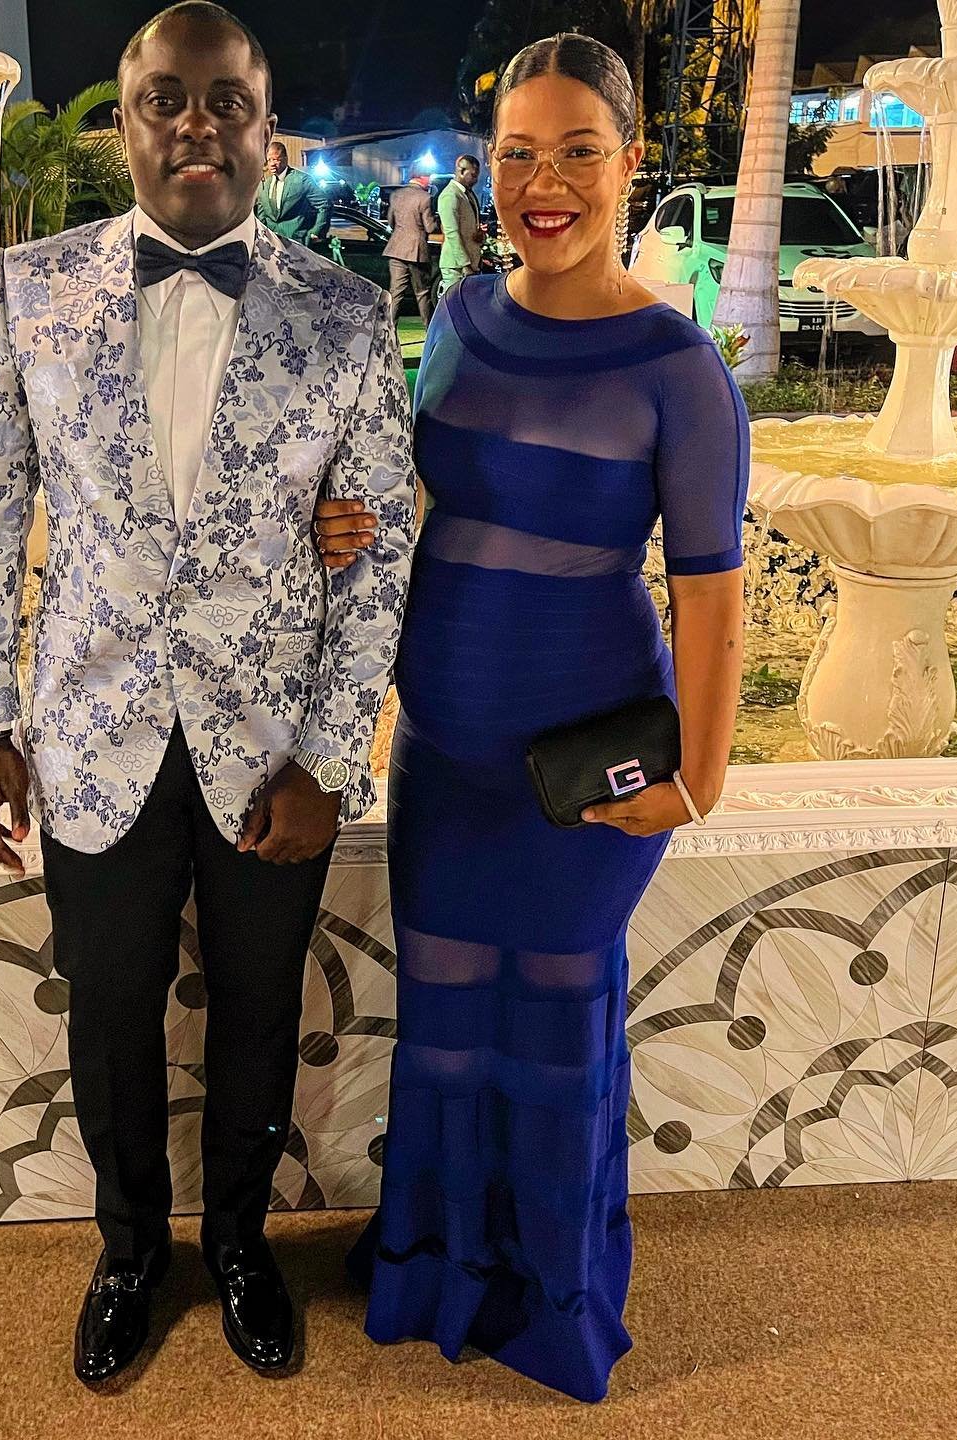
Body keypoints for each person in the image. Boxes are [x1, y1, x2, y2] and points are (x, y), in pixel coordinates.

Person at [0, 0, 417, 1391]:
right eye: (165, 98)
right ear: (128, 125)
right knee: (109, 1014)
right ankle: (130, 1252)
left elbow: (380, 544)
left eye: (227, 101)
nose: (196, 123)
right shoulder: (26, 290)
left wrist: (332, 755)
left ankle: (246, 1245)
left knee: (261, 1011)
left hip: (274, 749)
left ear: (270, 135)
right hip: (92, 736)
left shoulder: (344, 314)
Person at [316, 31, 748, 1404]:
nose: (542, 184)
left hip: (582, 761)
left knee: (555, 1011)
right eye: (516, 154)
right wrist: (347, 528)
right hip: (445, 746)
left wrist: (697, 779)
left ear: (630, 164)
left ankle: (549, 1298)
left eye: (576, 152)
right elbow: (420, 503)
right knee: (446, 1009)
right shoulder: (458, 320)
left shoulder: (679, 369)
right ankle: (441, 1267)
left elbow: (713, 599)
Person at [382, 169, 438, 324]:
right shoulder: (425, 198)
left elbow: (391, 221)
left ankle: (389, 330)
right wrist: (437, 221)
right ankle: (429, 329)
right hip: (416, 251)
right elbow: (430, 227)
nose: (430, 180)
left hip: (396, 249)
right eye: (428, 177)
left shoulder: (396, 195)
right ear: (422, 177)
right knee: (422, 293)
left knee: (395, 293)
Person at [254, 139, 328, 246]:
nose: (272, 164)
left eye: (276, 159)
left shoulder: (302, 180)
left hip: (296, 243)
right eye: (269, 160)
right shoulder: (265, 184)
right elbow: (262, 215)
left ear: (285, 159)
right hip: (271, 245)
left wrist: (315, 232)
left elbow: (324, 205)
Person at [436, 154, 485, 296]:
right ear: (461, 171)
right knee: (453, 305)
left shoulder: (467, 194)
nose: (476, 180)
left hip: (470, 263)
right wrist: (465, 265)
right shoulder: (450, 195)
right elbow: (452, 233)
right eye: (473, 175)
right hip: (456, 267)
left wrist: (479, 236)